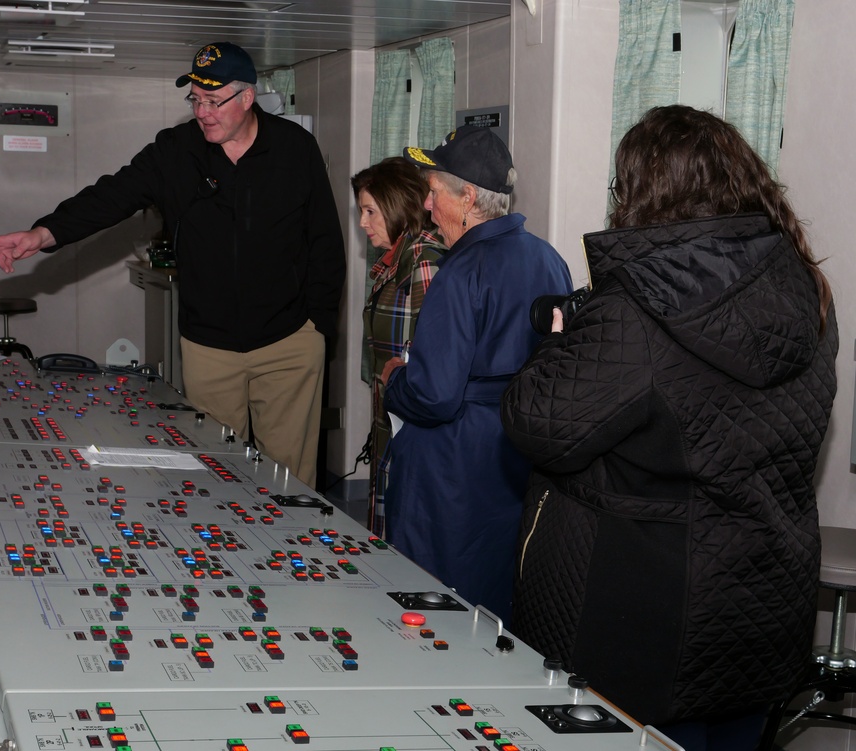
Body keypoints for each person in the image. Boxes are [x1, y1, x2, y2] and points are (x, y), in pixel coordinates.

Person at [500, 105, 838, 751]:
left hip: (646, 609)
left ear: (640, 193)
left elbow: (538, 425)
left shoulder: (635, 312)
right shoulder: (808, 288)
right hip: (762, 589)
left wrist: (558, 342)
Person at [0, 42, 346, 489]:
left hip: (289, 342)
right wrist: (43, 234)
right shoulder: (176, 151)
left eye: (213, 101)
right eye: (195, 99)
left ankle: (294, 556)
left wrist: (316, 327)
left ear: (247, 98)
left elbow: (326, 243)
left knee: (289, 480)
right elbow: (112, 195)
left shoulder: (295, 149)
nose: (202, 112)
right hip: (209, 345)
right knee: (217, 475)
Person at [380, 126, 572, 624]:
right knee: (498, 603)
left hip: (451, 468)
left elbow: (435, 396)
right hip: (517, 459)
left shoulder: (460, 275)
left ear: (467, 198)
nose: (425, 205)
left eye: (433, 192)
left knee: (432, 606)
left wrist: (394, 380)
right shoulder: (551, 260)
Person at [351, 157, 447, 535]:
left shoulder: (423, 263)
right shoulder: (396, 261)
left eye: (370, 211)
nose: (363, 223)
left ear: (397, 207)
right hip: (390, 423)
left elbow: (433, 356)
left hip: (409, 429)